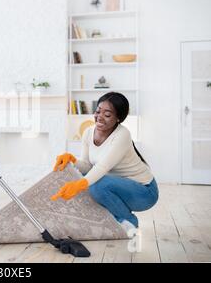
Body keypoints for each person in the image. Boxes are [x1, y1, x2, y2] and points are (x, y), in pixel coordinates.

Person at [51, 92, 158, 235]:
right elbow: (88, 166)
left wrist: (79, 184)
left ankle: (128, 221)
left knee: (96, 184)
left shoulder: (122, 134)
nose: (100, 117)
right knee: (91, 180)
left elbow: (102, 167)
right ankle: (115, 217)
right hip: (116, 186)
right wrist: (72, 160)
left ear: (118, 118)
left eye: (107, 115)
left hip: (144, 192)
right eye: (98, 111)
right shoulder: (88, 132)